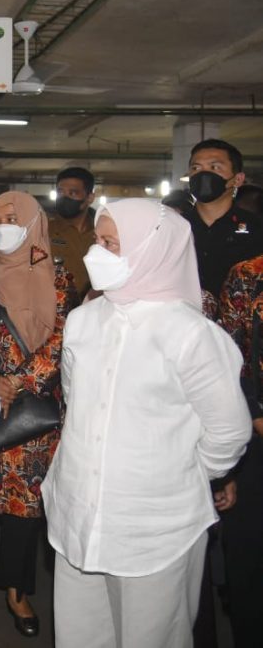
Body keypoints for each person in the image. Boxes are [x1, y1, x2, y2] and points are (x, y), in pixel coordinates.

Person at [43, 199, 251, 648]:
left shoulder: (190, 335)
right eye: (98, 240)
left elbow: (229, 430)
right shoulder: (82, 321)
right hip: (77, 512)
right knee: (81, 635)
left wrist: (183, 475)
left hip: (155, 527)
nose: (96, 252)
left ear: (151, 251)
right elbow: (77, 403)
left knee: (153, 637)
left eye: (111, 243)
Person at [0, 191, 75, 639]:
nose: (2, 226)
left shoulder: (58, 279)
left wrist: (17, 383)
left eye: (12, 218)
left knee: (25, 508)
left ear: (32, 224)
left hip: (33, 416)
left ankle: (18, 590)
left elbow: (62, 340)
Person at [218, 254, 263, 648]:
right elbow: (229, 362)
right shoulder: (248, 276)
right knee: (248, 559)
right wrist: (253, 411)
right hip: (255, 439)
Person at [183, 139, 263, 297]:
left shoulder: (257, 229)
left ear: (238, 179)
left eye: (215, 167)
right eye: (196, 168)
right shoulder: (173, 227)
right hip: (182, 318)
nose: (203, 174)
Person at [48, 166, 98, 295]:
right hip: (55, 309)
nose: (64, 198)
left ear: (90, 198)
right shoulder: (44, 231)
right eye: (60, 192)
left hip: (95, 309)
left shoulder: (104, 233)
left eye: (73, 193)